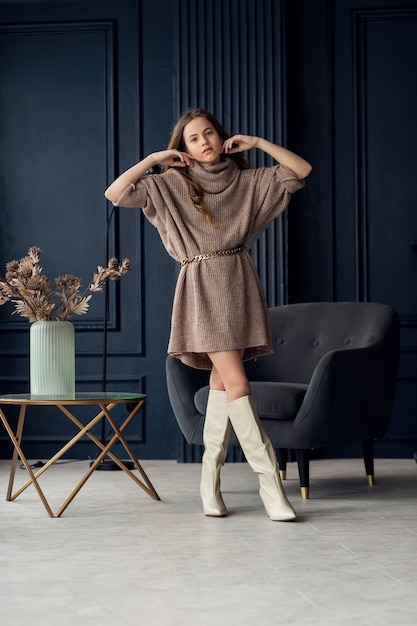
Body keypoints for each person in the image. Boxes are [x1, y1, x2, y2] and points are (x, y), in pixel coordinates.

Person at [105, 108, 312, 521]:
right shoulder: (171, 183)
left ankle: (209, 487)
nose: (205, 142)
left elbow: (300, 170)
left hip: (239, 282)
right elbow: (116, 193)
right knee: (236, 380)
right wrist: (153, 160)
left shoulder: (247, 181)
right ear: (184, 149)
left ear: (222, 137)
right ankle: (271, 487)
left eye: (210, 134)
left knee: (220, 381)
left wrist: (256, 143)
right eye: (194, 139)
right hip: (200, 286)